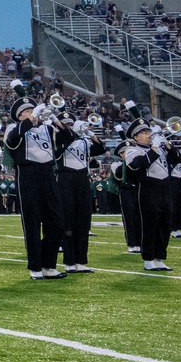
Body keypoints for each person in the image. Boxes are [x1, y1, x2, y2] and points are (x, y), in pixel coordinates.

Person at [3, 98, 67, 279]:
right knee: (32, 222)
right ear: (20, 115)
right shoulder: (15, 128)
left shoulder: (47, 128)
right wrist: (31, 120)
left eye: (34, 109)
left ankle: (49, 264)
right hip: (28, 174)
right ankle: (35, 266)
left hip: (48, 173)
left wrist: (54, 118)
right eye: (28, 110)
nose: (33, 112)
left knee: (57, 221)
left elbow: (69, 138)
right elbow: (12, 140)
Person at [123, 124, 178, 271]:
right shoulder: (133, 150)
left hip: (165, 187)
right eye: (144, 132)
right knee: (149, 224)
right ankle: (148, 259)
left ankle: (159, 257)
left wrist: (167, 144)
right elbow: (137, 165)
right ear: (135, 137)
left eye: (148, 131)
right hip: (147, 188)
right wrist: (154, 148)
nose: (148, 134)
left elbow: (177, 159)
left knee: (165, 224)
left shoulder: (160, 148)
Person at [55, 115, 104, 273]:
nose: (69, 127)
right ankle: (69, 261)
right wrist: (72, 134)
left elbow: (100, 148)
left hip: (82, 178)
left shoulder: (83, 140)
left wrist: (90, 133)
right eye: (66, 125)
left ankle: (81, 260)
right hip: (65, 178)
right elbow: (58, 152)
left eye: (71, 124)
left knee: (83, 220)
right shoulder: (57, 138)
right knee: (68, 220)